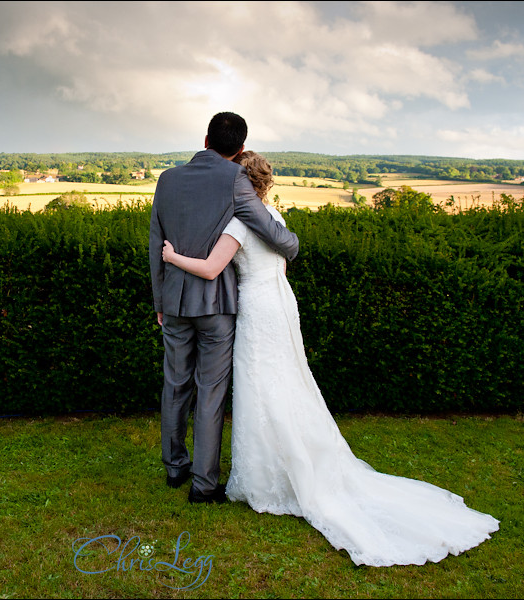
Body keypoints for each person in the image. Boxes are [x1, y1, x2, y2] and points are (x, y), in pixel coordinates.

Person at [161, 151, 499, 566]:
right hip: (279, 303)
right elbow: (281, 267)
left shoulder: (236, 223)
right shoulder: (274, 218)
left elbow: (214, 270)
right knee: (287, 380)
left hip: (255, 307)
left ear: (238, 184)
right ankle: (292, 459)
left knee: (259, 387)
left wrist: (173, 257)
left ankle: (265, 477)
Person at [148, 113, 300, 504]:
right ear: (241, 149)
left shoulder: (166, 178)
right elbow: (267, 228)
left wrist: (160, 300)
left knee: (174, 383)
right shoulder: (235, 179)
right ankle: (204, 484)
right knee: (210, 390)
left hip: (175, 300)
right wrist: (291, 244)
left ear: (205, 139)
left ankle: (174, 467)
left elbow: (155, 242)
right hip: (216, 304)